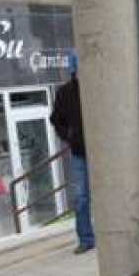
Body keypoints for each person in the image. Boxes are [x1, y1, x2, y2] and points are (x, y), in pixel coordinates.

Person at [50, 61, 95, 255]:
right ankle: (86, 239)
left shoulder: (96, 88)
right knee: (81, 198)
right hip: (79, 152)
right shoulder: (65, 92)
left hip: (103, 151)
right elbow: (55, 119)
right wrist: (68, 136)